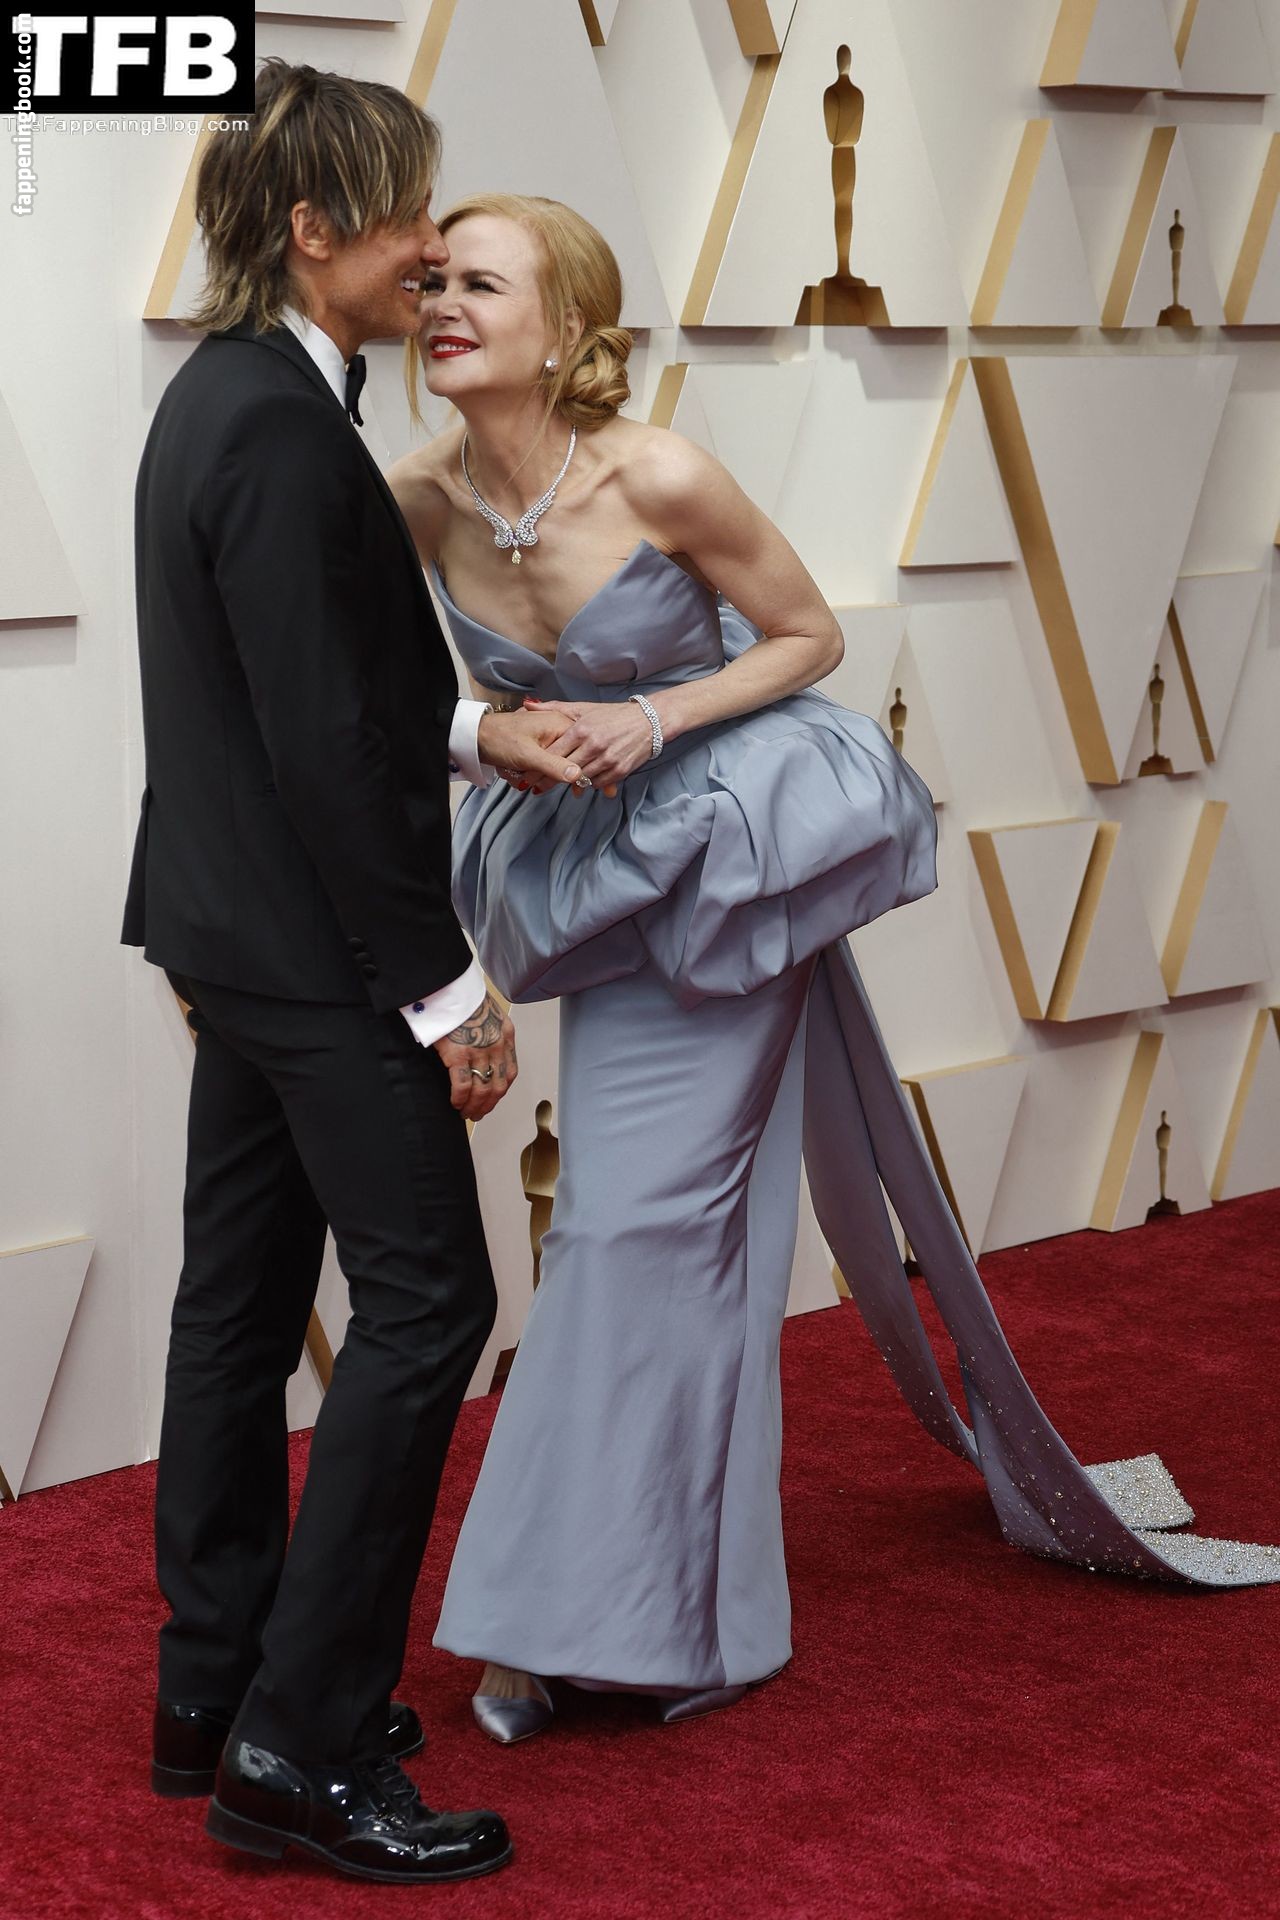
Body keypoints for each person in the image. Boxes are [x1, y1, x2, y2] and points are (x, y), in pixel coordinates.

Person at [389, 196, 1280, 1744]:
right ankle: (679, 1610)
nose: (444, 304)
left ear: (570, 326)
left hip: (728, 865)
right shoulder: (412, 495)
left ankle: (566, 1621)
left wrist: (654, 718)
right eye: (434, 283)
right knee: (651, 1232)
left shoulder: (658, 471)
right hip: (595, 887)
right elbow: (364, 689)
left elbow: (805, 636)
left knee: (634, 1228)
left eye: (483, 282)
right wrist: (499, 738)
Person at [123, 67, 583, 1882]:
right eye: (406, 216)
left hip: (232, 933)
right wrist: (445, 989)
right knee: (426, 1309)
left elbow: (310, 686)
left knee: (238, 1304)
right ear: (315, 230)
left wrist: (475, 731)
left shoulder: (225, 395)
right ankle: (297, 1748)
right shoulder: (281, 427)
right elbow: (317, 743)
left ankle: (212, 1689)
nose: (430, 250)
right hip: (319, 951)